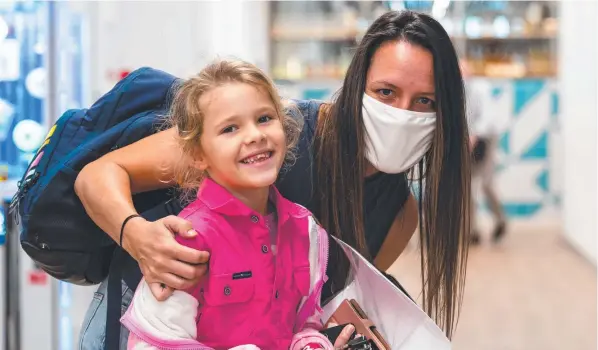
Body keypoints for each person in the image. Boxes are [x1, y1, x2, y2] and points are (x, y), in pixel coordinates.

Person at [75, 10, 471, 349]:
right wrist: (138, 237)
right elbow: (99, 175)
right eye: (386, 92)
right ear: (356, 86)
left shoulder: (400, 215)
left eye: (425, 102)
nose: (401, 113)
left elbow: (320, 308)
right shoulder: (270, 139)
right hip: (138, 322)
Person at [120, 59, 337, 350]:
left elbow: (304, 323)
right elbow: (152, 344)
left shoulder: (305, 229)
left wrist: (311, 343)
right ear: (198, 154)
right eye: (230, 128)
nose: (255, 135)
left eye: (264, 119)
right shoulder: (187, 242)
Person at [462, 61, 507, 244]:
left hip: (486, 139)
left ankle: (500, 220)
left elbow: (486, 119)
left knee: (486, 183)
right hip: (469, 140)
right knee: (466, 186)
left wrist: (474, 136)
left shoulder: (481, 88)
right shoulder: (456, 91)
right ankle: (472, 231)